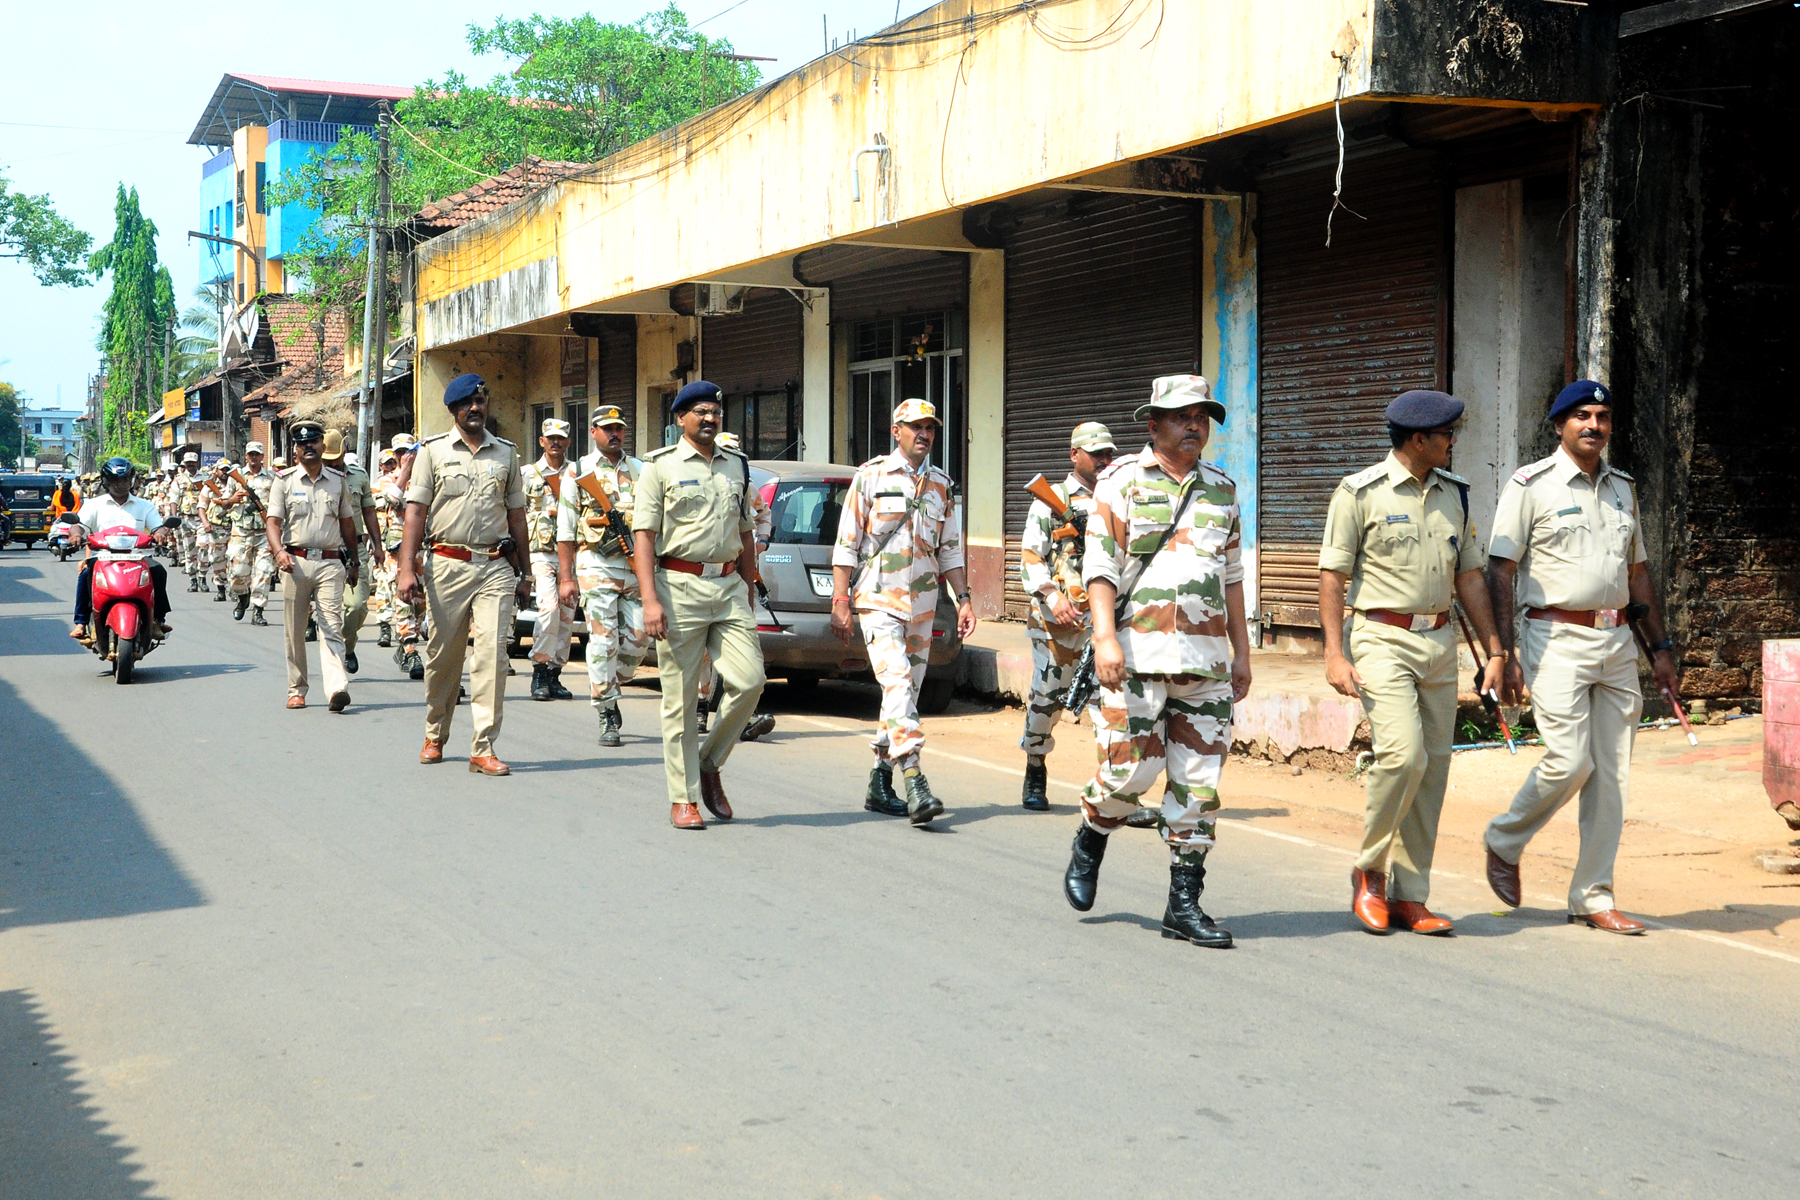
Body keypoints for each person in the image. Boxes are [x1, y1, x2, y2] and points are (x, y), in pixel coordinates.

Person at [1061, 375, 1251, 950]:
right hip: (1136, 657)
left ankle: (1183, 904)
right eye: (1181, 416)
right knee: (1130, 775)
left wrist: (1243, 652)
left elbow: (1234, 576)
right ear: (1153, 424)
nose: (1195, 425)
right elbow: (1100, 566)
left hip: (1207, 662)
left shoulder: (1222, 488)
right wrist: (1104, 640)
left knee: (1199, 786)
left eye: (1203, 416)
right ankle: (1093, 832)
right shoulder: (1119, 482)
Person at [1482, 381, 1678, 935]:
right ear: (1560, 425)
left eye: (1603, 416)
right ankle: (1505, 837)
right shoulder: (1530, 485)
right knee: (1570, 760)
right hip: (1554, 637)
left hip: (1616, 642)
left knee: (1611, 774)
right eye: (1582, 416)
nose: (1594, 425)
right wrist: (1506, 652)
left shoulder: (1624, 489)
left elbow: (1637, 571)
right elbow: (1501, 569)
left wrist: (1660, 648)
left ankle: (1593, 895)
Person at [1319, 390, 1507, 936]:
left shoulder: (1457, 495)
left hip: (1439, 643)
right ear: (1420, 439)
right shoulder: (1359, 494)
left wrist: (1495, 650)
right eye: (1448, 434)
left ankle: (1411, 895)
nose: (1455, 442)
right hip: (1382, 638)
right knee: (1402, 757)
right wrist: (1334, 653)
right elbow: (1332, 576)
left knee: (1435, 768)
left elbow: (1469, 576)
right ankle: (1369, 871)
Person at [831, 397, 978, 825]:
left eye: (930, 427)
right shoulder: (871, 477)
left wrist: (964, 599)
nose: (925, 434)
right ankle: (914, 776)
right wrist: (841, 600)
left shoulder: (941, 486)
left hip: (923, 606)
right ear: (897, 431)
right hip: (878, 601)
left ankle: (880, 780)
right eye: (916, 427)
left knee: (906, 693)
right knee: (896, 684)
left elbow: (949, 550)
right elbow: (846, 543)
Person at [631, 380, 765, 828]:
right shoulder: (659, 467)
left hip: (727, 588)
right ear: (681, 419)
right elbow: (644, 537)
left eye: (715, 412)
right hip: (678, 589)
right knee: (681, 699)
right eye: (700, 412)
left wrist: (749, 586)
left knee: (750, 682)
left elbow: (745, 533)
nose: (710, 419)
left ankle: (708, 762)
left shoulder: (736, 466)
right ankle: (683, 797)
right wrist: (650, 600)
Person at [397, 374, 531, 776]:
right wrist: (406, 568)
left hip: (494, 567)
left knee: (492, 655)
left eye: (481, 402)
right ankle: (435, 734)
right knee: (444, 658)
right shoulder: (433, 453)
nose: (475, 408)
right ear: (454, 410)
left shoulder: (506, 455)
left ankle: (483, 748)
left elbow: (517, 517)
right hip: (446, 565)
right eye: (467, 403)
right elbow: (415, 513)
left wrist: (525, 572)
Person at [1017, 421, 1116, 810]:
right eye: (1097, 455)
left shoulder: (1119, 498)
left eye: (1110, 453)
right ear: (1075, 455)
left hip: (1102, 622)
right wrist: (1053, 596)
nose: (1106, 461)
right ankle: (1035, 767)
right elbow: (1030, 557)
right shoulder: (1050, 500)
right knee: (1048, 699)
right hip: (1056, 622)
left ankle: (1114, 789)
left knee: (1110, 704)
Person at [558, 405, 648, 746]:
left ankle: (612, 682)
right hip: (595, 564)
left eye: (620, 428)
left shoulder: (641, 470)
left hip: (636, 566)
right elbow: (565, 530)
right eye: (607, 428)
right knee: (603, 639)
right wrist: (566, 578)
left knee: (639, 640)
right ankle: (606, 709)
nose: (615, 433)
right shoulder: (579, 471)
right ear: (593, 432)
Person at [265, 421, 358, 713]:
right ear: (295, 450)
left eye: (314, 442)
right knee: (295, 630)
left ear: (322, 446)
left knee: (332, 625)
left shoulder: (337, 480)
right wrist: (278, 551)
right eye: (303, 443)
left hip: (331, 561)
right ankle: (297, 688)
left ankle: (336, 688)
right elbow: (273, 523)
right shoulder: (284, 481)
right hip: (296, 563)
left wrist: (354, 560)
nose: (309, 447)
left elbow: (347, 523)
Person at [69, 457, 173, 641]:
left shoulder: (145, 506)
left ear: (131, 480)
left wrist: (161, 533)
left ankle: (157, 619)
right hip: (102, 557)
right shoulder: (94, 505)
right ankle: (81, 622)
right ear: (106, 481)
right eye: (115, 480)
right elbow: (79, 525)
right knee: (85, 574)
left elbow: (158, 527)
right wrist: (75, 534)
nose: (120, 484)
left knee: (158, 571)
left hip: (139, 558)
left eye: (124, 479)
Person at [321, 432, 385, 674]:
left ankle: (348, 646)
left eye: (335, 459)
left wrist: (378, 546)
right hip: (326, 549)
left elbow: (369, 511)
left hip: (355, 550)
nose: (332, 464)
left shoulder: (359, 476)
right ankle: (334, 658)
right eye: (327, 460)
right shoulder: (317, 478)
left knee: (358, 606)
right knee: (330, 610)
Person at [523, 418, 577, 701]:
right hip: (541, 552)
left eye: (561, 438)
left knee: (567, 615)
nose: (555, 442)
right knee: (549, 608)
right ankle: (540, 669)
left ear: (568, 442)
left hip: (571, 554)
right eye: (550, 438)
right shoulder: (527, 474)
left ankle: (555, 673)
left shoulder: (578, 474)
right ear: (542, 441)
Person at [383, 433, 427, 675]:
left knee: (421, 604)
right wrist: (405, 472)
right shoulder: (388, 479)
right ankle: (410, 649)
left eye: (408, 452)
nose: (404, 457)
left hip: (423, 549)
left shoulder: (424, 480)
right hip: (398, 552)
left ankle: (406, 643)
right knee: (404, 600)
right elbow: (390, 499)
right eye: (399, 453)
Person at [223, 442, 277, 625]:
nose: (253, 457)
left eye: (257, 454)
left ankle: (258, 611)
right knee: (237, 573)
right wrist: (232, 499)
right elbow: (223, 504)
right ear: (246, 456)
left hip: (264, 532)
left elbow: (280, 506)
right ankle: (242, 596)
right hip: (241, 531)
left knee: (264, 572)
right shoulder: (235, 477)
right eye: (250, 454)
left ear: (263, 457)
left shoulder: (273, 477)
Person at [199, 463, 233, 601]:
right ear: (216, 470)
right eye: (222, 469)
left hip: (234, 528)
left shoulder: (236, 485)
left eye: (227, 469)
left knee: (235, 559)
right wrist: (205, 523)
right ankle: (221, 589)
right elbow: (201, 507)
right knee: (217, 559)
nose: (224, 472)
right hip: (216, 529)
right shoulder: (209, 487)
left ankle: (236, 589)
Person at [174, 451, 204, 585]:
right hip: (186, 519)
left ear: (197, 463)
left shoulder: (205, 477)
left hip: (202, 518)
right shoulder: (179, 480)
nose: (191, 465)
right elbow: (174, 500)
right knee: (189, 550)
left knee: (204, 547)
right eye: (188, 463)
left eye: (193, 462)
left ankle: (202, 576)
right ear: (184, 464)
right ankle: (193, 579)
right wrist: (174, 518)